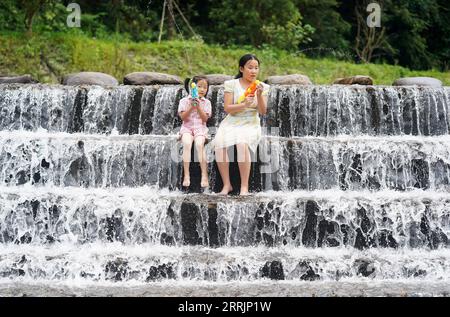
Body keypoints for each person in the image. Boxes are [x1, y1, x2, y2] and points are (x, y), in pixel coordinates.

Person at [211, 54, 270, 195]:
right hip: (232, 121)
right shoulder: (231, 84)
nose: (253, 71)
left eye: (256, 68)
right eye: (250, 67)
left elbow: (262, 111)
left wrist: (260, 95)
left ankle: (244, 187)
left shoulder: (262, 87)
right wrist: (244, 104)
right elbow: (227, 108)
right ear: (241, 69)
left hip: (250, 122)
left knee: (242, 144)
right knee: (219, 144)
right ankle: (227, 185)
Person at [178, 75, 212, 189]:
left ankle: (204, 175)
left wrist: (198, 107)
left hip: (200, 128)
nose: (202, 89)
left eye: (205, 87)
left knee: (199, 144)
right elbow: (183, 117)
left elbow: (205, 119)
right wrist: (191, 107)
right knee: (187, 143)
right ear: (193, 87)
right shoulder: (184, 101)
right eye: (199, 86)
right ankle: (186, 175)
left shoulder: (207, 103)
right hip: (187, 128)